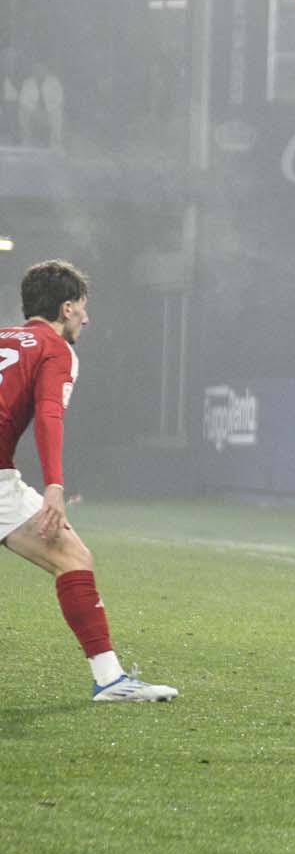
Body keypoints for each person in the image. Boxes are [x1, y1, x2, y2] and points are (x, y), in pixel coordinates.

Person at [0, 260, 177, 701]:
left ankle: (111, 679)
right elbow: (49, 415)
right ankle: (110, 680)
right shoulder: (55, 349)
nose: (86, 317)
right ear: (65, 308)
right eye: (81, 307)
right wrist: (55, 485)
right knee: (73, 558)